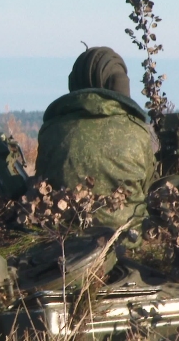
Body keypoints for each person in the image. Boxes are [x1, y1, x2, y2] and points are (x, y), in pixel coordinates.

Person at [34, 46, 156, 248]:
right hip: (128, 246)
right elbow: (149, 190)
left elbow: (41, 186)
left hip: (64, 250)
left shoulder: (52, 131)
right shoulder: (139, 132)